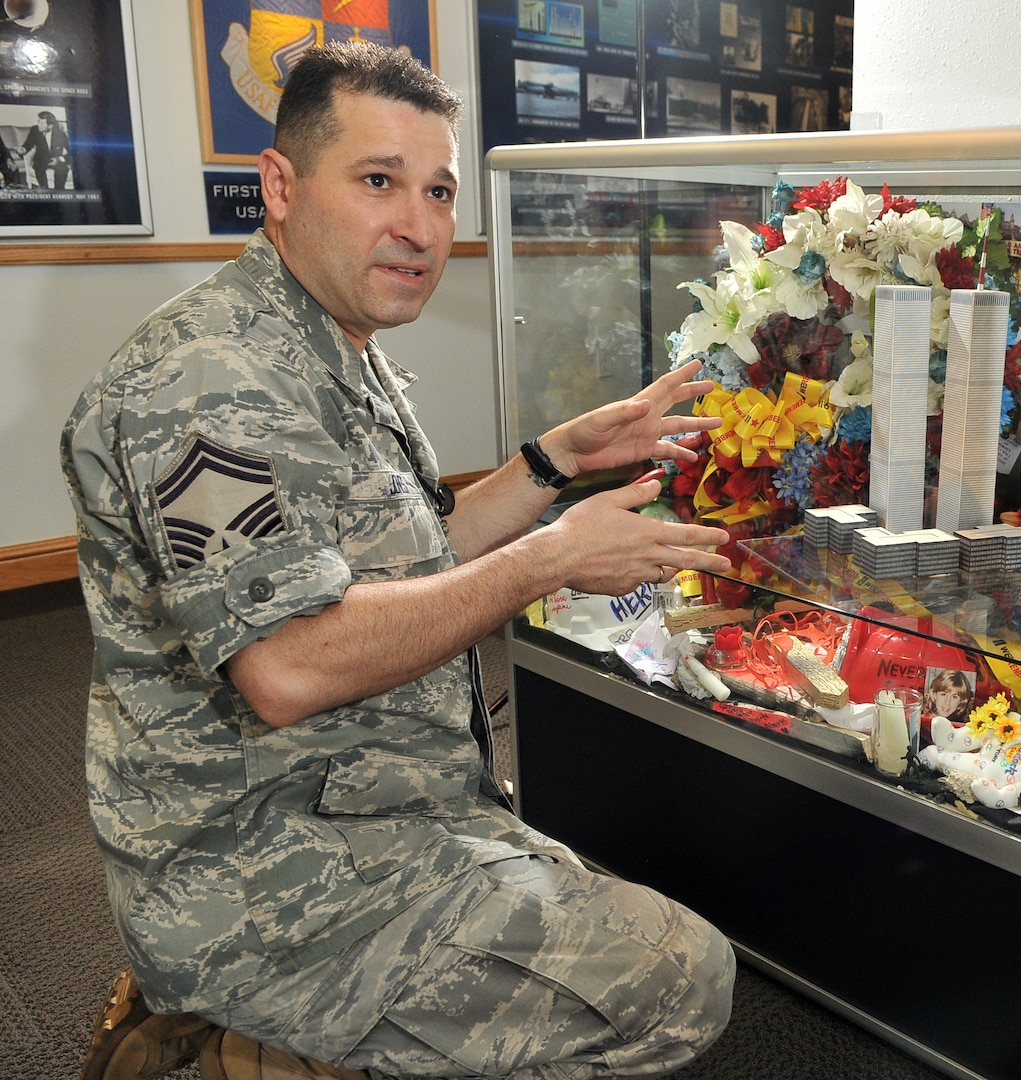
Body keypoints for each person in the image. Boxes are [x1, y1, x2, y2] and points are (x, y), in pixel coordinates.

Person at [65, 43, 737, 1080]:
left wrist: (554, 464)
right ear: (281, 186)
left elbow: (406, 562)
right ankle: (233, 1028)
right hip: (258, 870)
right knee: (680, 976)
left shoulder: (326, 342)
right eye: (378, 182)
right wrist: (548, 562)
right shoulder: (206, 379)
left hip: (384, 797)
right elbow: (288, 666)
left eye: (438, 191)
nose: (420, 229)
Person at [22, 110, 70, 189]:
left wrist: (59, 159)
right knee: (38, 168)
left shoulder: (60, 134)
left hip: (56, 159)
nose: (38, 125)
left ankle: (59, 192)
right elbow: (28, 144)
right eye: (38, 122)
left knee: (62, 170)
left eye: (42, 123)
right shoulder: (35, 130)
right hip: (41, 159)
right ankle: (45, 190)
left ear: (50, 126)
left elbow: (71, 151)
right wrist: (23, 149)